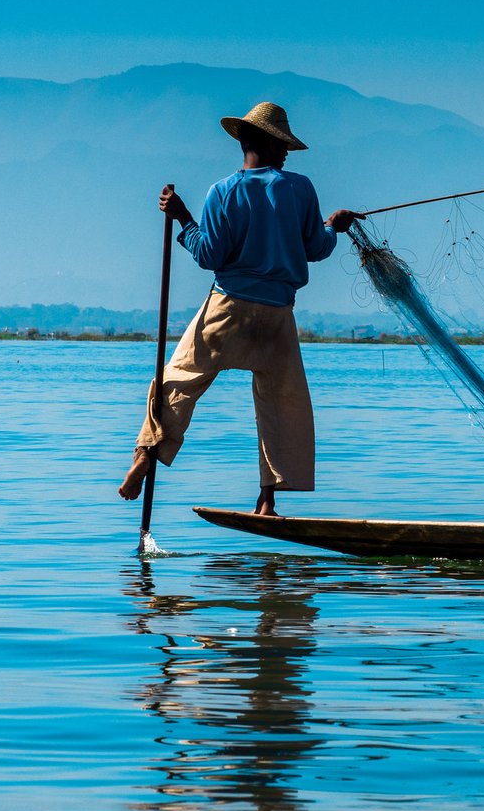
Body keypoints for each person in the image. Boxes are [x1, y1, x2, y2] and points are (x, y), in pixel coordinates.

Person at [118, 102, 361, 516]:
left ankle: (147, 450)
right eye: (281, 144)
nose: (286, 152)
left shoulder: (223, 191)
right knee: (282, 404)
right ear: (260, 142)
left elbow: (210, 255)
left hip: (228, 306)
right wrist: (331, 228)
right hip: (277, 313)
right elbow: (316, 249)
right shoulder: (299, 189)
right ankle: (267, 501)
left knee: (179, 379)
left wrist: (183, 219)